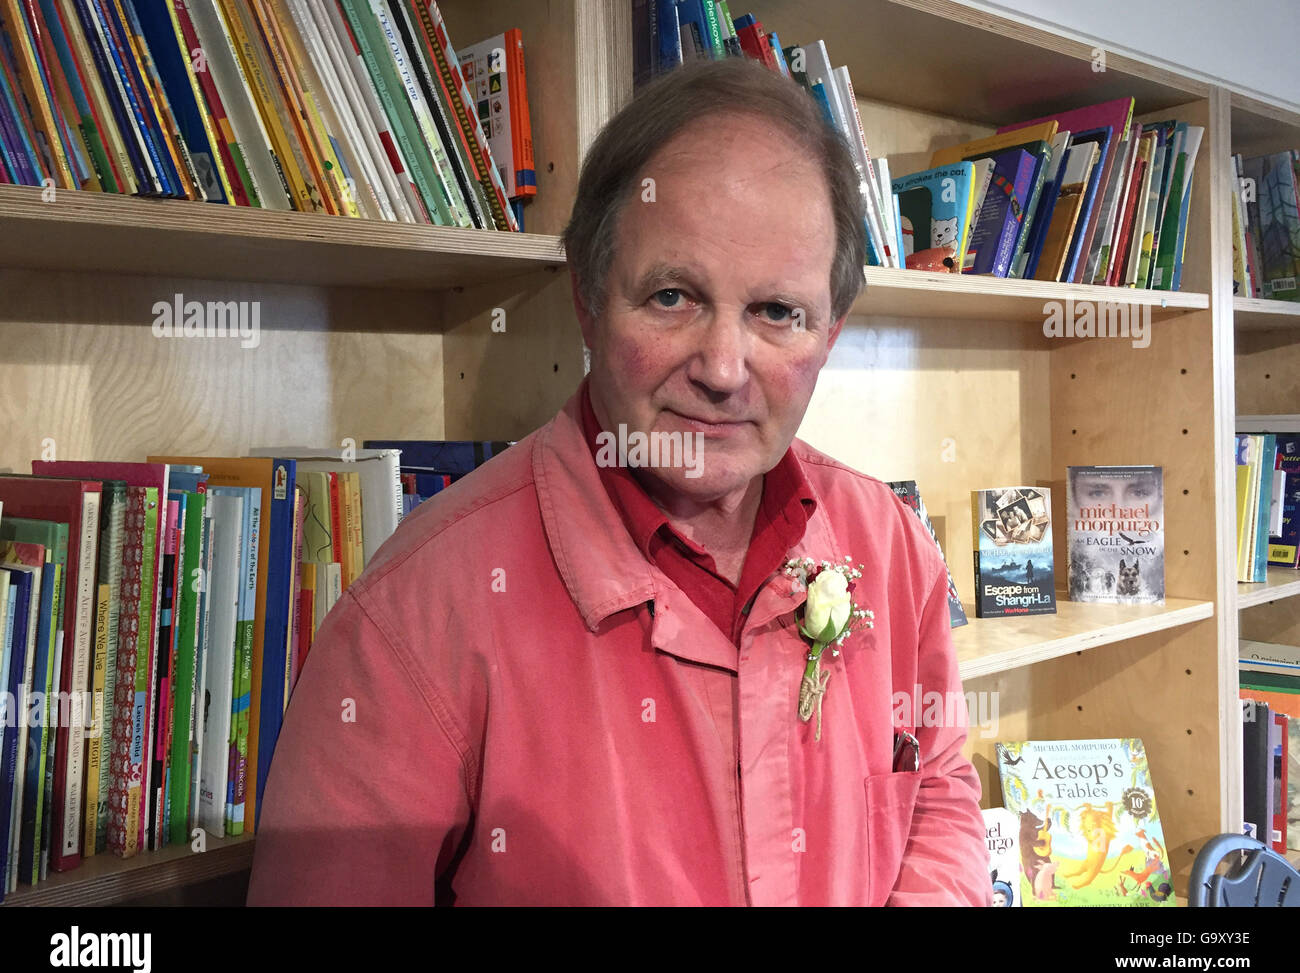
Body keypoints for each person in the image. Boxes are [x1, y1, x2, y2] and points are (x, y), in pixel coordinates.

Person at [247, 57, 990, 906]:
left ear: (830, 332)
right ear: (587, 300)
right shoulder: (415, 614)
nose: (721, 368)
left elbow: (937, 792)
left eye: (777, 313)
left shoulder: (891, 544)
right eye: (672, 296)